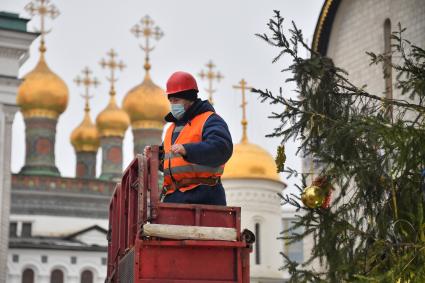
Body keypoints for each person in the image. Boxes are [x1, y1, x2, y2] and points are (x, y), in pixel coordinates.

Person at [148, 71, 233, 205]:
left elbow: (221, 148)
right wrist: (153, 159)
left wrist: (188, 150)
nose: (173, 105)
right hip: (174, 198)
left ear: (190, 99)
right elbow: (170, 162)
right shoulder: (172, 128)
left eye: (176, 100)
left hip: (204, 197)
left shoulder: (210, 120)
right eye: (171, 101)